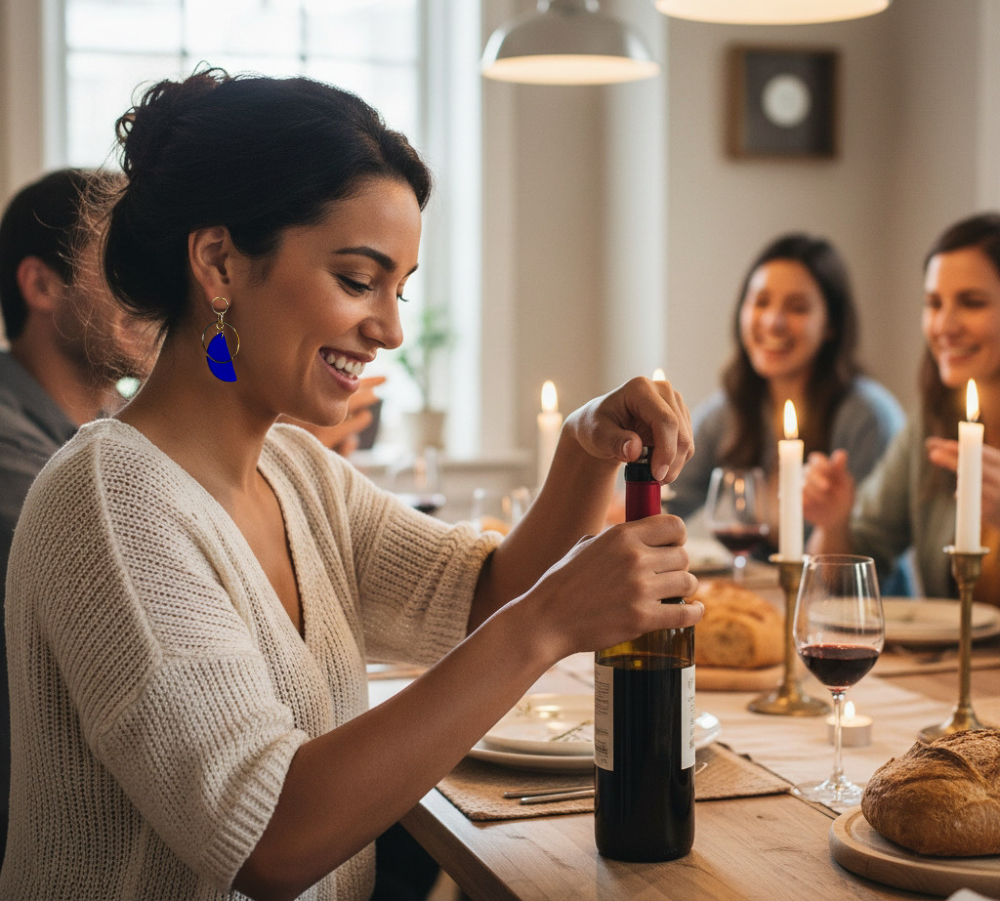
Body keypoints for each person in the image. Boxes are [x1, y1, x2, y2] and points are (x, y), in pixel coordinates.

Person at [0, 67, 702, 901]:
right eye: (357, 279)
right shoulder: (108, 501)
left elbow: (478, 600)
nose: (392, 329)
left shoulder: (294, 472)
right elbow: (270, 840)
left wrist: (586, 450)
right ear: (220, 263)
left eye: (399, 290)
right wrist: (547, 624)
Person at [0, 168, 157, 860]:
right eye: (120, 261)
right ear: (40, 286)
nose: (150, 289)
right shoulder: (12, 444)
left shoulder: (125, 426)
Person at [804, 213, 1000, 608]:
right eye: (933, 304)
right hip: (950, 669)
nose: (945, 325)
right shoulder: (933, 422)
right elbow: (842, 579)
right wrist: (835, 521)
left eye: (972, 303)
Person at [667, 233, 904, 554]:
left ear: (831, 325)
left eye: (797, 307)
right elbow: (665, 499)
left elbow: (867, 558)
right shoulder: (728, 410)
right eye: (761, 302)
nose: (773, 322)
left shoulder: (868, 418)